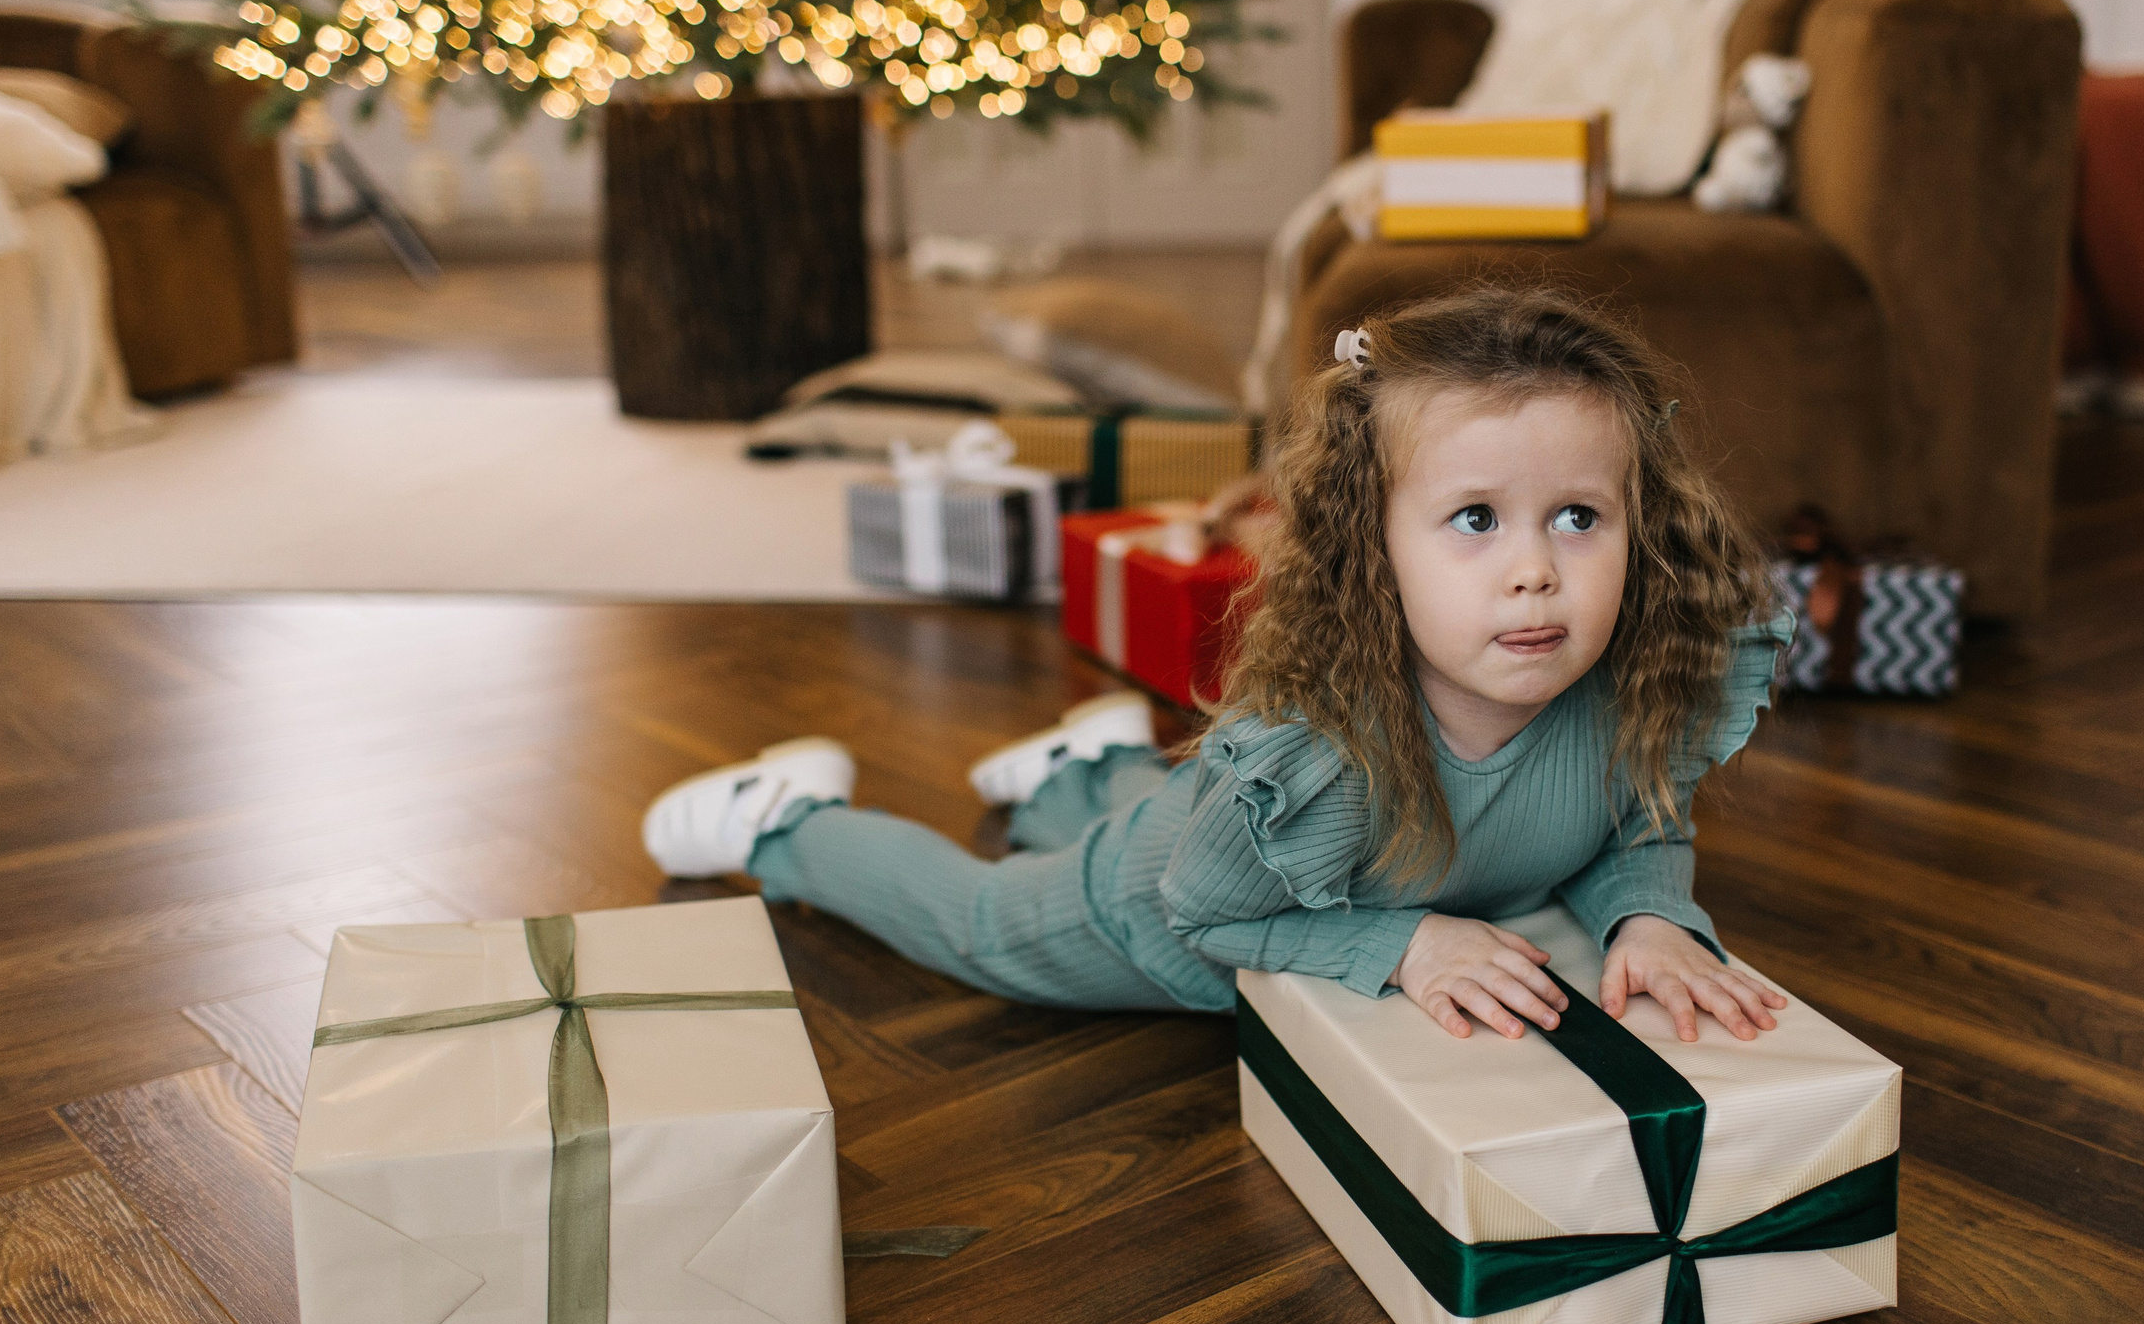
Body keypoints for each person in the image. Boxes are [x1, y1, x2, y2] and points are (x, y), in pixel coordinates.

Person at [642, 289, 1795, 1044]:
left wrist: (1650, 921)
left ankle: (1073, 772)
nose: (1536, 571)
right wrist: (1400, 941)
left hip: (1242, 848)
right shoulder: (1325, 757)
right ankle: (783, 822)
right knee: (983, 925)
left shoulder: (1627, 695)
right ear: (1370, 546)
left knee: (1206, 813)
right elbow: (1205, 908)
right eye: (1477, 519)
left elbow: (1636, 832)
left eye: (1580, 518)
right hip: (1172, 916)